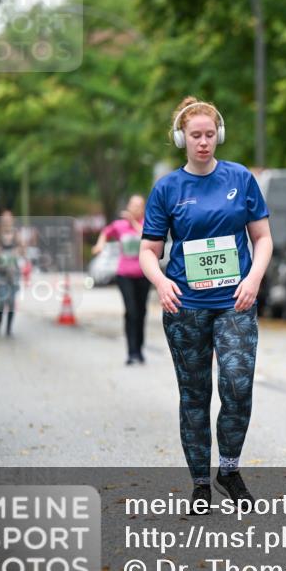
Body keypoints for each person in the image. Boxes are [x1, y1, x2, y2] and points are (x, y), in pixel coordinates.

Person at [139, 96, 273, 515]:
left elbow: (263, 238)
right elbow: (149, 249)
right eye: (195, 135)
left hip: (235, 299)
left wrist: (253, 279)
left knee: (237, 384)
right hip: (185, 304)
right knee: (194, 395)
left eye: (209, 135)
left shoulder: (240, 179)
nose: (203, 143)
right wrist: (160, 282)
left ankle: (228, 469)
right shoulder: (167, 189)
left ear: (220, 135)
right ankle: (200, 483)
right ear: (182, 138)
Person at [93, 195, 150, 364]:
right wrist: (100, 243)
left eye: (139, 205)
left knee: (141, 312)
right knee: (131, 311)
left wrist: (133, 222)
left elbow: (146, 235)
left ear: (143, 209)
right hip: (124, 274)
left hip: (143, 274)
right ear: (128, 206)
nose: (135, 208)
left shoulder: (147, 223)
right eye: (132, 205)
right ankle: (131, 352)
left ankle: (139, 349)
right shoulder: (119, 226)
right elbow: (106, 232)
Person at [0, 210, 24, 337]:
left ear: (12, 220)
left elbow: (23, 249)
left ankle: (9, 328)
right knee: (3, 298)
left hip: (13, 272)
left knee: (11, 301)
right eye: (4, 219)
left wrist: (17, 252)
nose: (6, 222)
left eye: (8, 219)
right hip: (0, 273)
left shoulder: (16, 235)